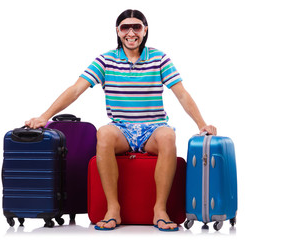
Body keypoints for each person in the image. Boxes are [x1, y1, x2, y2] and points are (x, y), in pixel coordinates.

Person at [25, 9, 217, 231]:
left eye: (137, 27)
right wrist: (44, 117)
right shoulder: (105, 60)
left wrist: (202, 124)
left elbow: (182, 94)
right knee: (104, 133)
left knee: (168, 136)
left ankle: (160, 210)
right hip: (121, 129)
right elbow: (76, 89)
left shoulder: (159, 58)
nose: (131, 32)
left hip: (153, 128)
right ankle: (113, 208)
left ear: (145, 31)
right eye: (126, 27)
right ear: (118, 31)